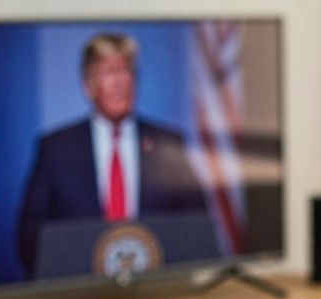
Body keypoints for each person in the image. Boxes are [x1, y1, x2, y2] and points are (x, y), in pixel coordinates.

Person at [17, 32, 207, 276]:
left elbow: (196, 228)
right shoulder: (56, 150)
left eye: (126, 70)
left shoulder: (168, 143)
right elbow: (31, 239)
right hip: (82, 291)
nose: (120, 82)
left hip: (157, 288)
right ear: (88, 86)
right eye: (109, 72)